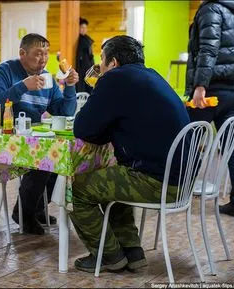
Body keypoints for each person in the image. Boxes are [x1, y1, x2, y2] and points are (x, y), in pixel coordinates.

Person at [71, 35, 191, 273]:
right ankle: (132, 252)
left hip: (159, 183)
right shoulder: (152, 76)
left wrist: (98, 83)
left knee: (81, 188)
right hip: (182, 181)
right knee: (116, 176)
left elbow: (82, 128)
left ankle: (109, 256)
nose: (100, 69)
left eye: (101, 64)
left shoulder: (114, 80)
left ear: (113, 63)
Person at [0, 33, 79, 234]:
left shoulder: (48, 78)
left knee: (59, 160)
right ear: (22, 53)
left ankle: (36, 208)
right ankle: (24, 214)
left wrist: (69, 87)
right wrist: (23, 86)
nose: (43, 59)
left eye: (46, 53)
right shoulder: (3, 72)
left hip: (26, 141)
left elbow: (65, 112)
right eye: (37, 53)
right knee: (44, 159)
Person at [185, 0, 234, 219]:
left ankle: (177, 193)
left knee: (187, 140)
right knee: (232, 147)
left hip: (211, 89)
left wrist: (200, 85)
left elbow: (208, 48)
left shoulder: (211, 9)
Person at [75, 17, 95, 94]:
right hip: (81, 69)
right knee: (81, 89)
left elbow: (90, 55)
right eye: (82, 27)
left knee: (89, 88)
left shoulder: (87, 40)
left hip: (88, 67)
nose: (84, 29)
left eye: (85, 27)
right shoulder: (79, 40)